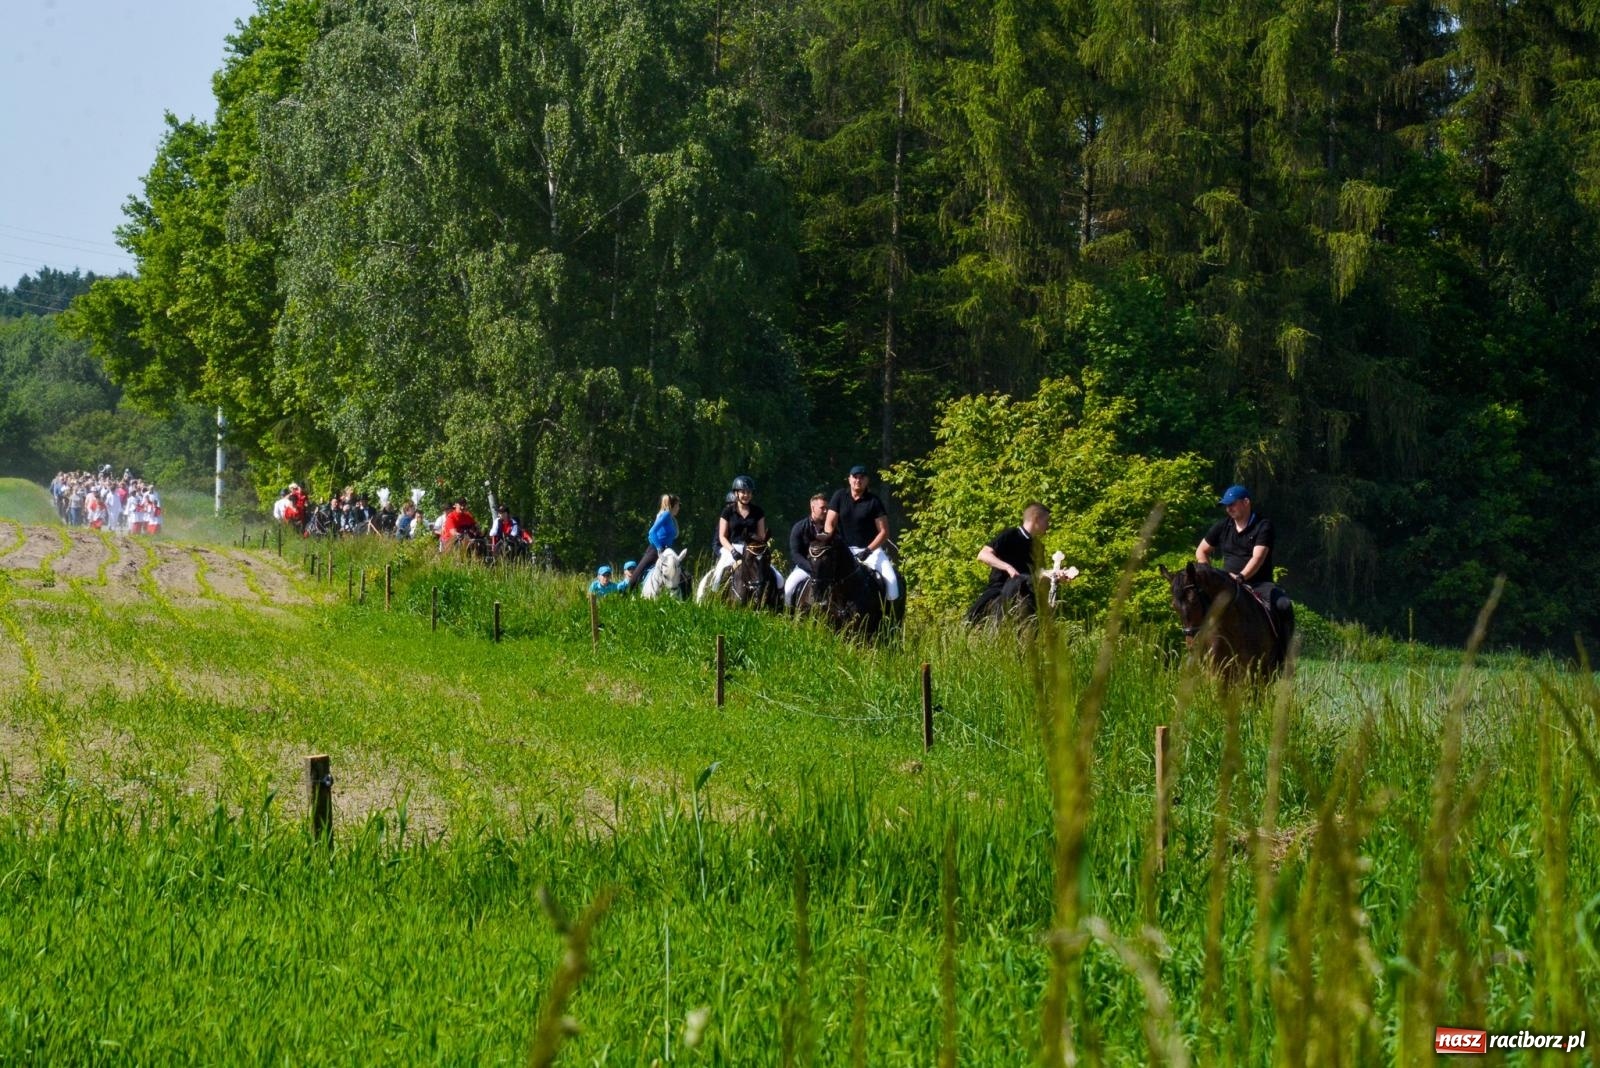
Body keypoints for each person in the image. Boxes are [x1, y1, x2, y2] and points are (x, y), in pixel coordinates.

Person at [1196, 484, 1294, 642]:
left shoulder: (1263, 525)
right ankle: (1197, 650)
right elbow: (1201, 551)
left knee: (1284, 605)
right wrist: (1209, 574)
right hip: (1227, 583)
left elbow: (1258, 557)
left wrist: (1241, 577)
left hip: (1259, 584)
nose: (1228, 508)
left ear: (1246, 502)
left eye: (1232, 504)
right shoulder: (1222, 526)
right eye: (1226, 506)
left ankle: (1283, 656)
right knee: (1196, 602)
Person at [824, 465, 899, 601]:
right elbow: (829, 524)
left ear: (867, 481)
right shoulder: (839, 496)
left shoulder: (874, 501)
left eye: (861, 477)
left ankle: (889, 620)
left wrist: (868, 550)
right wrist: (832, 541)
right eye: (855, 477)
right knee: (822, 577)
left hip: (870, 551)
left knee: (892, 585)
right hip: (843, 550)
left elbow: (884, 532)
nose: (858, 480)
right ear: (849, 479)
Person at [967, 503, 1051, 622]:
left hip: (1027, 593)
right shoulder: (1011, 535)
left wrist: (1055, 575)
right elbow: (983, 555)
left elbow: (1039, 574)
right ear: (1036, 518)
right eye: (1046, 521)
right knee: (971, 621)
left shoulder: (1038, 546)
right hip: (1000, 590)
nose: (1048, 525)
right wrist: (1007, 567)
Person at [701, 476, 782, 597]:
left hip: (752, 548)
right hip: (731, 548)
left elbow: (761, 535)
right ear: (736, 493)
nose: (746, 495)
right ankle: (712, 599)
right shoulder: (727, 512)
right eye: (743, 492)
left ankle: (778, 602)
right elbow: (722, 537)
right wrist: (732, 551)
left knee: (779, 578)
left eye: (749, 492)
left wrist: (761, 546)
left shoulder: (758, 512)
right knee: (717, 577)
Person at [784, 493, 830, 607]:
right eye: (822, 508)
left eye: (826, 508)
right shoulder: (799, 527)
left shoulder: (831, 528)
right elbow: (795, 554)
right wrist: (811, 568)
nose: (825, 511)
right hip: (804, 568)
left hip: (827, 570)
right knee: (788, 588)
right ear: (812, 508)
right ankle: (788, 616)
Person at [633, 494, 680, 589]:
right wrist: (659, 547)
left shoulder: (671, 518)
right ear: (673, 505)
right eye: (678, 505)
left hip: (667, 550)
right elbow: (652, 532)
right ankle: (626, 593)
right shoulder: (665, 515)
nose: (679, 508)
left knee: (680, 572)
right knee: (638, 571)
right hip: (655, 550)